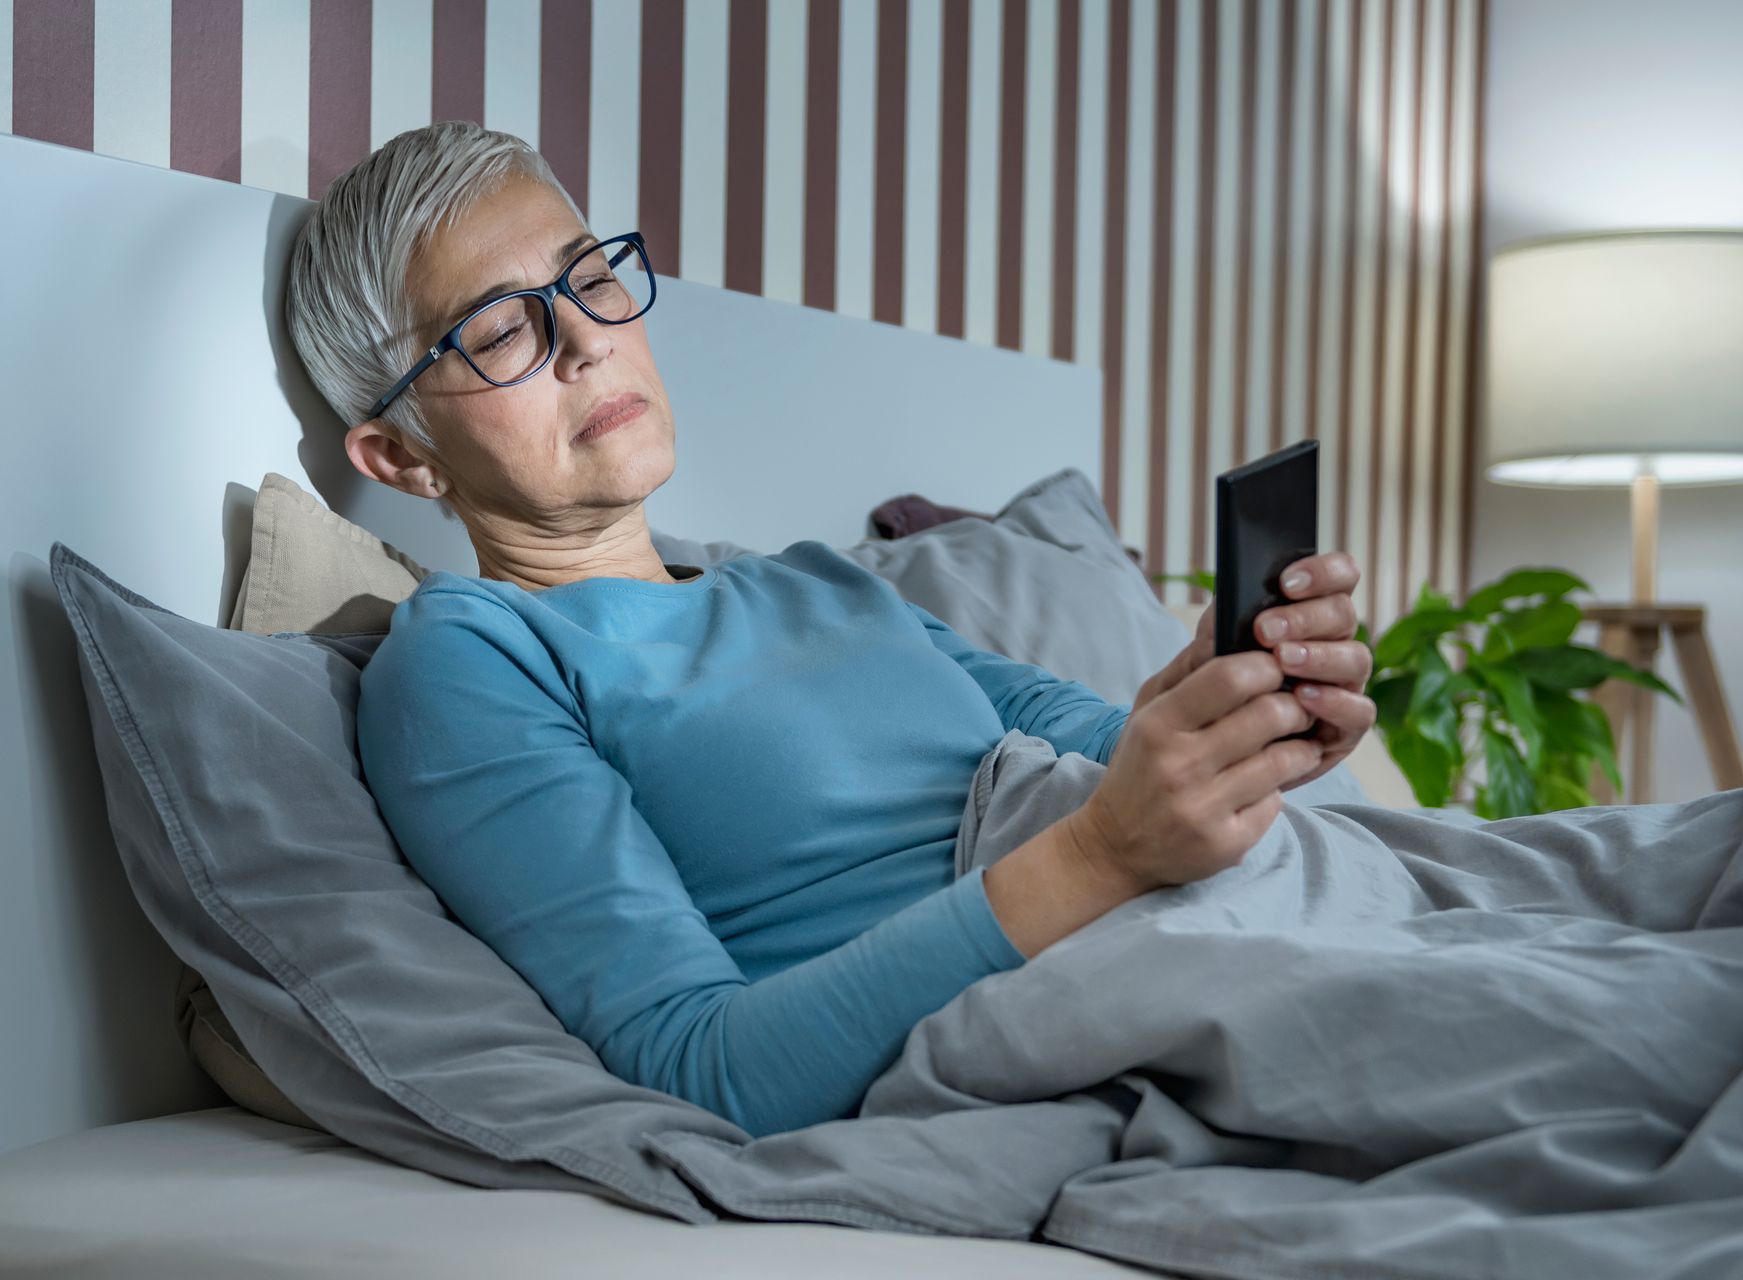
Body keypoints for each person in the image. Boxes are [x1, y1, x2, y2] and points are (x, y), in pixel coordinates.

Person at [284, 120, 1377, 1139]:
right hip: (1089, 978)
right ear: (401, 457)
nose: (585, 341)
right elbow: (699, 1063)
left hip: (1238, 906)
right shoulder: (472, 657)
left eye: (592, 278)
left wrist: (1245, 710)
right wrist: (1104, 849)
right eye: (497, 329)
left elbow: (1102, 746)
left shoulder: (809, 582)